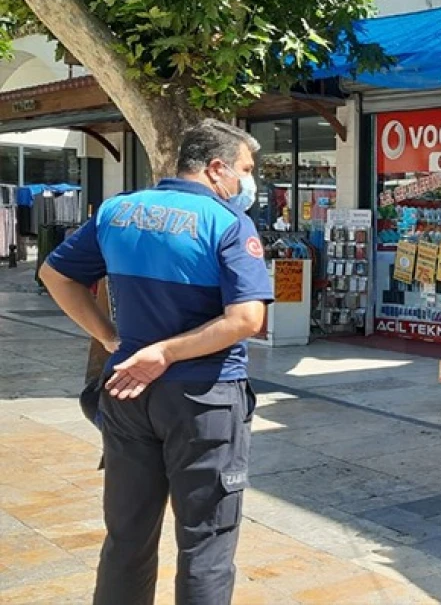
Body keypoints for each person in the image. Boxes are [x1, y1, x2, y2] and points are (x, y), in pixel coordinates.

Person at [39, 119, 273, 605]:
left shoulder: (116, 211)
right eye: (246, 170)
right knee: (205, 544)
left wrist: (109, 337)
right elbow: (247, 318)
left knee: (126, 537)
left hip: (127, 393)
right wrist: (165, 352)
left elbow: (54, 274)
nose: (250, 183)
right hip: (205, 399)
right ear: (216, 168)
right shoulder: (228, 223)